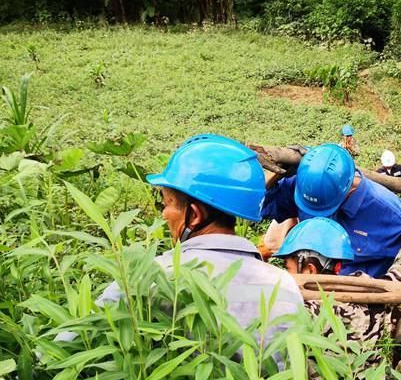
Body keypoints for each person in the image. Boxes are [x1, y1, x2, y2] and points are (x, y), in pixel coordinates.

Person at [57, 134, 304, 357]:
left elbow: (66, 346)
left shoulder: (151, 276)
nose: (164, 214)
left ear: (194, 215)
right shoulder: (283, 285)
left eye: (167, 204)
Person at [261, 143, 401, 305]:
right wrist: (275, 174)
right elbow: (263, 206)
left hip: (361, 304)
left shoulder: (383, 206)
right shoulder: (307, 184)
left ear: (347, 190)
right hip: (307, 294)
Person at [276, 216, 401, 344]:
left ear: (310, 270)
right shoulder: (364, 292)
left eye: (287, 268)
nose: (285, 273)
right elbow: (393, 283)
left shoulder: (304, 312)